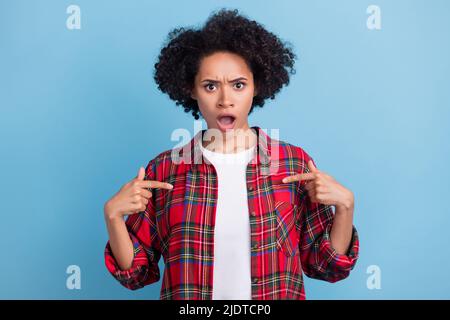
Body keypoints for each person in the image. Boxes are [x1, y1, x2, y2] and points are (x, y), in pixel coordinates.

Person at [103, 8, 359, 300]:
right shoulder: (164, 171)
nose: (225, 100)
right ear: (191, 89)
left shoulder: (293, 164)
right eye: (210, 86)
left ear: (256, 86)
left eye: (238, 85)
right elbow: (135, 273)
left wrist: (346, 208)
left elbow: (326, 266)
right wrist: (112, 216)